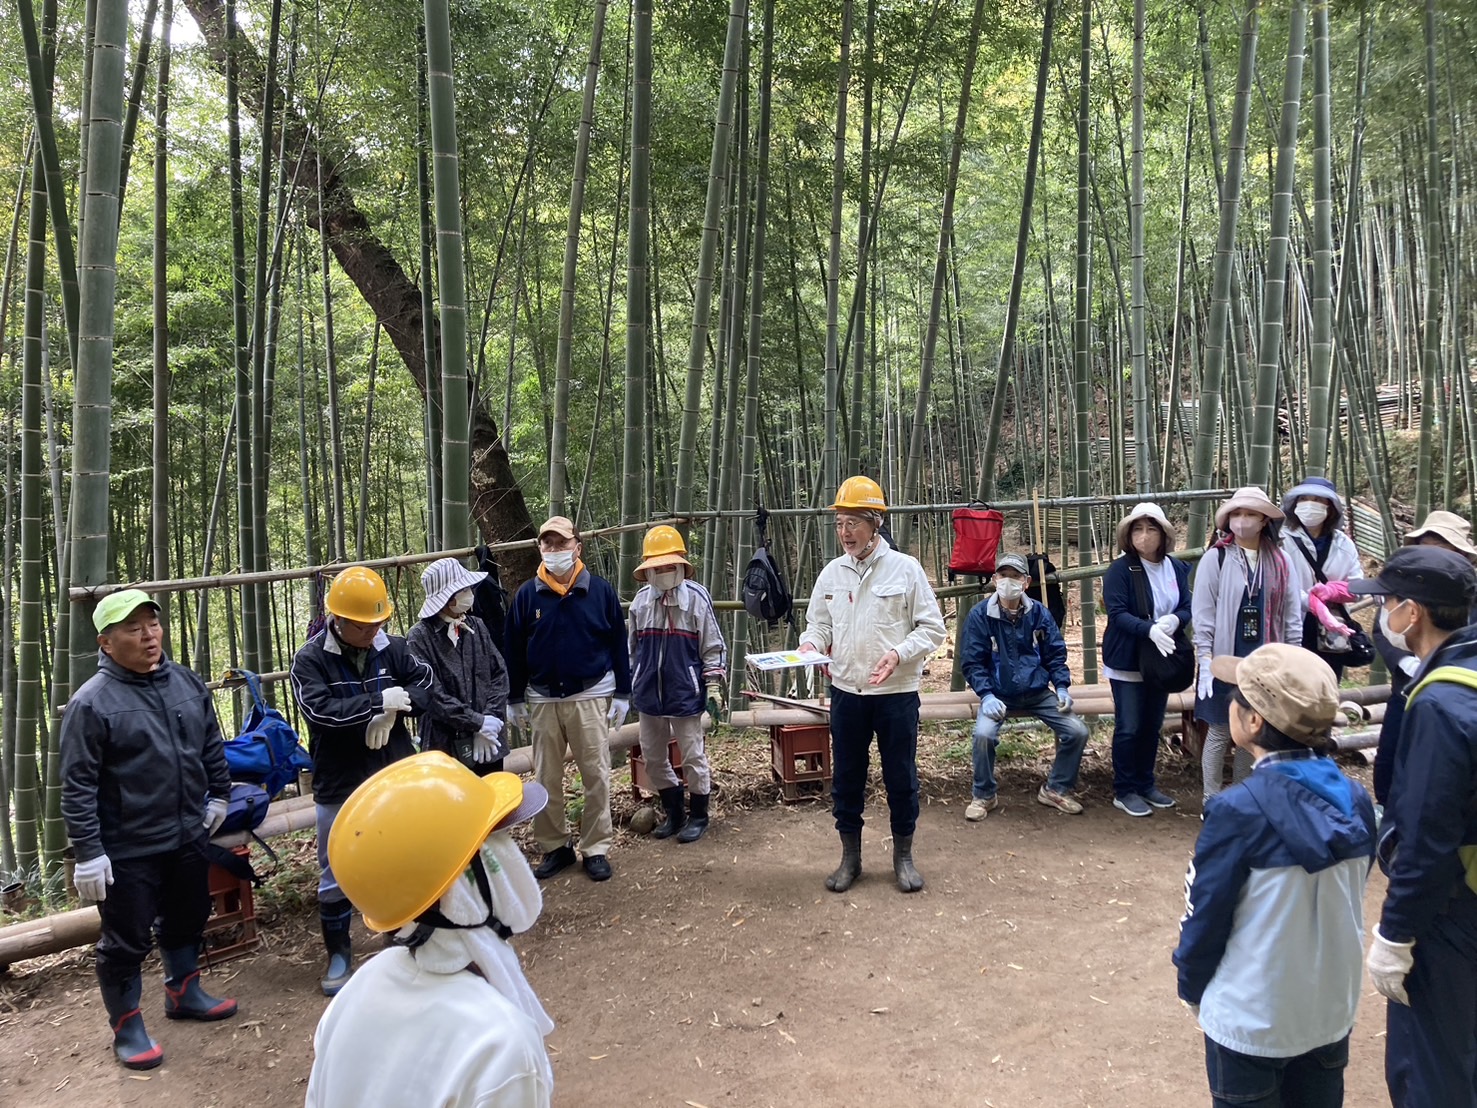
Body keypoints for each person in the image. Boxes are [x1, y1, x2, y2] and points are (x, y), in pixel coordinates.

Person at [1173, 643, 1376, 1108]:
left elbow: (1205, 915)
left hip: (1251, 1021)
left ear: (1253, 721)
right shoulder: (1356, 799)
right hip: (1328, 1013)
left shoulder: (1235, 811)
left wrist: (1190, 985)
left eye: (1236, 695)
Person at [306, 753, 554, 1108]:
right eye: (493, 847)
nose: (513, 855)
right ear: (462, 891)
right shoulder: (500, 1046)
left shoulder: (356, 992)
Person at [60, 589, 238, 1070]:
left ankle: (183, 991)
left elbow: (210, 743)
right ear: (106, 641)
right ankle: (127, 1026)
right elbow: (78, 785)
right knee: (127, 938)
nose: (148, 636)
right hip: (128, 846)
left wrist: (219, 794)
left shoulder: (184, 681)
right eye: (133, 628)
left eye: (152, 625)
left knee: (188, 915)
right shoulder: (92, 703)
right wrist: (89, 851)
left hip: (186, 832)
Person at [1347, 546, 1477, 1108]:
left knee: (1431, 1063)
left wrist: (1395, 935)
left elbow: (1427, 836)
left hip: (1452, 906)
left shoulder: (1442, 703)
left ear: (1413, 613)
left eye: (1388, 603)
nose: (1383, 615)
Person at [290, 565, 433, 996]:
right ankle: (338, 952)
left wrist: (397, 707)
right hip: (340, 776)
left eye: (378, 622)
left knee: (398, 854)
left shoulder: (395, 648)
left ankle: (403, 932)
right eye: (362, 624)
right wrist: (374, 703)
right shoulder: (310, 659)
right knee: (336, 866)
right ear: (337, 619)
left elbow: (424, 686)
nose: (372, 631)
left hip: (393, 769)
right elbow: (318, 711)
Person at [799, 476, 947, 894]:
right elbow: (818, 624)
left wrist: (899, 653)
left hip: (896, 696)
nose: (845, 532)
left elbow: (932, 628)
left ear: (875, 522)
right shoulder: (831, 573)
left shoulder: (906, 568)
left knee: (901, 777)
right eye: (840, 523)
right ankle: (851, 858)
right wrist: (812, 644)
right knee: (846, 778)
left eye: (853, 523)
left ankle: (903, 856)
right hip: (847, 694)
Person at [504, 516, 631, 883]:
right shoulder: (528, 595)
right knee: (545, 777)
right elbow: (513, 647)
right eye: (548, 544)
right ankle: (555, 846)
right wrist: (514, 697)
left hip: (589, 694)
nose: (555, 550)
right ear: (539, 549)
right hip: (542, 699)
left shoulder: (600, 591)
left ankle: (596, 848)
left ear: (578, 545)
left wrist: (623, 691)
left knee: (596, 774)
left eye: (561, 543)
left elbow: (617, 644)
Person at [1192, 487, 1302, 805]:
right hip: (1224, 657)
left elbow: (1292, 613)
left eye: (1251, 514)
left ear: (1264, 520)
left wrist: (1292, 659)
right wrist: (1206, 659)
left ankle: (1243, 795)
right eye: (1237, 514)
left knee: (1252, 731)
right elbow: (1203, 613)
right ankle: (1211, 798)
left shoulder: (1280, 560)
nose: (1243, 521)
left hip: (1266, 658)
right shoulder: (1217, 557)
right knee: (1219, 729)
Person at [961, 552, 1090, 819]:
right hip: (997, 693)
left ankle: (1056, 789)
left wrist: (1062, 686)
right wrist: (985, 695)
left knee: (1077, 731)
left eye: (1015, 576)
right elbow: (973, 662)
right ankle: (984, 795)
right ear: (994, 579)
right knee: (983, 736)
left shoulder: (1039, 613)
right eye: (1003, 575)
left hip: (1037, 692)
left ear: (1026, 581)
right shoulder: (980, 615)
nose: (1009, 581)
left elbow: (1055, 653)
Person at [627, 525, 728, 843]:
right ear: (648, 570)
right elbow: (632, 650)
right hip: (649, 694)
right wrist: (631, 683)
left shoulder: (696, 599)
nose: (663, 571)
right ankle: (674, 813)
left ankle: (699, 815)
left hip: (685, 691)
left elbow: (713, 647)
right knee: (653, 758)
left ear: (682, 564)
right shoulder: (641, 603)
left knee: (693, 756)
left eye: (669, 564)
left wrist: (713, 685)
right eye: (657, 566)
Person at [1371, 510, 1477, 807]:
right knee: (1390, 765)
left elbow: (1431, 811)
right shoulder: (1404, 588)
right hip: (1404, 689)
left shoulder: (1443, 700)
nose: (1432, 557)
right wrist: (1410, 664)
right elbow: (1382, 631)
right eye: (1426, 547)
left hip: (1443, 694)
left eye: (1444, 551)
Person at [1101, 503, 1193, 817]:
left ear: (1164, 533)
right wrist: (1149, 629)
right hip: (1127, 658)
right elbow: (1117, 614)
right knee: (1129, 726)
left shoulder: (1177, 568)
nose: (1144, 536)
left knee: (1152, 724)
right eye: (1137, 529)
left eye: (1151, 528)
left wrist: (1174, 622)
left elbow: (1187, 606)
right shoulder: (1120, 569)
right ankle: (1124, 789)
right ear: (1128, 534)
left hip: (1162, 657)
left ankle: (1145, 783)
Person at [407, 557, 511, 777]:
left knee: (493, 802)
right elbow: (431, 694)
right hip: (444, 745)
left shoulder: (477, 626)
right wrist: (476, 722)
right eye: (463, 589)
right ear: (446, 598)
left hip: (489, 740)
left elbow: (499, 674)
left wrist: (489, 721)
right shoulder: (419, 637)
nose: (469, 593)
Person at [1278, 476, 1365, 680]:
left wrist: (1333, 591)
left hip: (1331, 627)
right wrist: (1310, 602)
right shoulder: (1281, 539)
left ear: (1330, 507)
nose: (1310, 504)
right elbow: (1276, 582)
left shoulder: (1344, 544)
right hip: (1288, 622)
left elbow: (1358, 587)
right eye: (1304, 498)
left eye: (1318, 500)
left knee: (1325, 681)